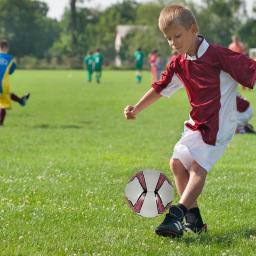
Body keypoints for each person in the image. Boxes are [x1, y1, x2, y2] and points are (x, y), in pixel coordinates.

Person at [124, 4, 256, 238]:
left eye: (177, 36)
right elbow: (160, 88)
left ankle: (176, 215)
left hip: (218, 127)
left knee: (197, 167)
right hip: (196, 123)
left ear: (193, 29)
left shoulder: (219, 56)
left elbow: (251, 70)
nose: (173, 43)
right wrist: (137, 108)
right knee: (176, 163)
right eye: (168, 39)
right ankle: (194, 222)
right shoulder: (179, 63)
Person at [0, 39, 30, 126]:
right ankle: (0, 123)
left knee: (3, 99)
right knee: (3, 105)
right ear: (6, 48)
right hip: (2, 84)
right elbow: (11, 71)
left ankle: (21, 100)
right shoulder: (9, 59)